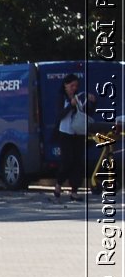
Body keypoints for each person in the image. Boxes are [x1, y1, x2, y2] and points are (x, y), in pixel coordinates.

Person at [55, 72, 94, 201]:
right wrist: (70, 106)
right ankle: (59, 183)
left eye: (76, 86)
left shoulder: (79, 97)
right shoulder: (62, 97)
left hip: (78, 133)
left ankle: (74, 190)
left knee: (78, 161)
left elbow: (86, 113)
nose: (74, 88)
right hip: (65, 132)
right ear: (66, 86)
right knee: (67, 160)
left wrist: (92, 102)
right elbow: (59, 115)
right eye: (71, 86)